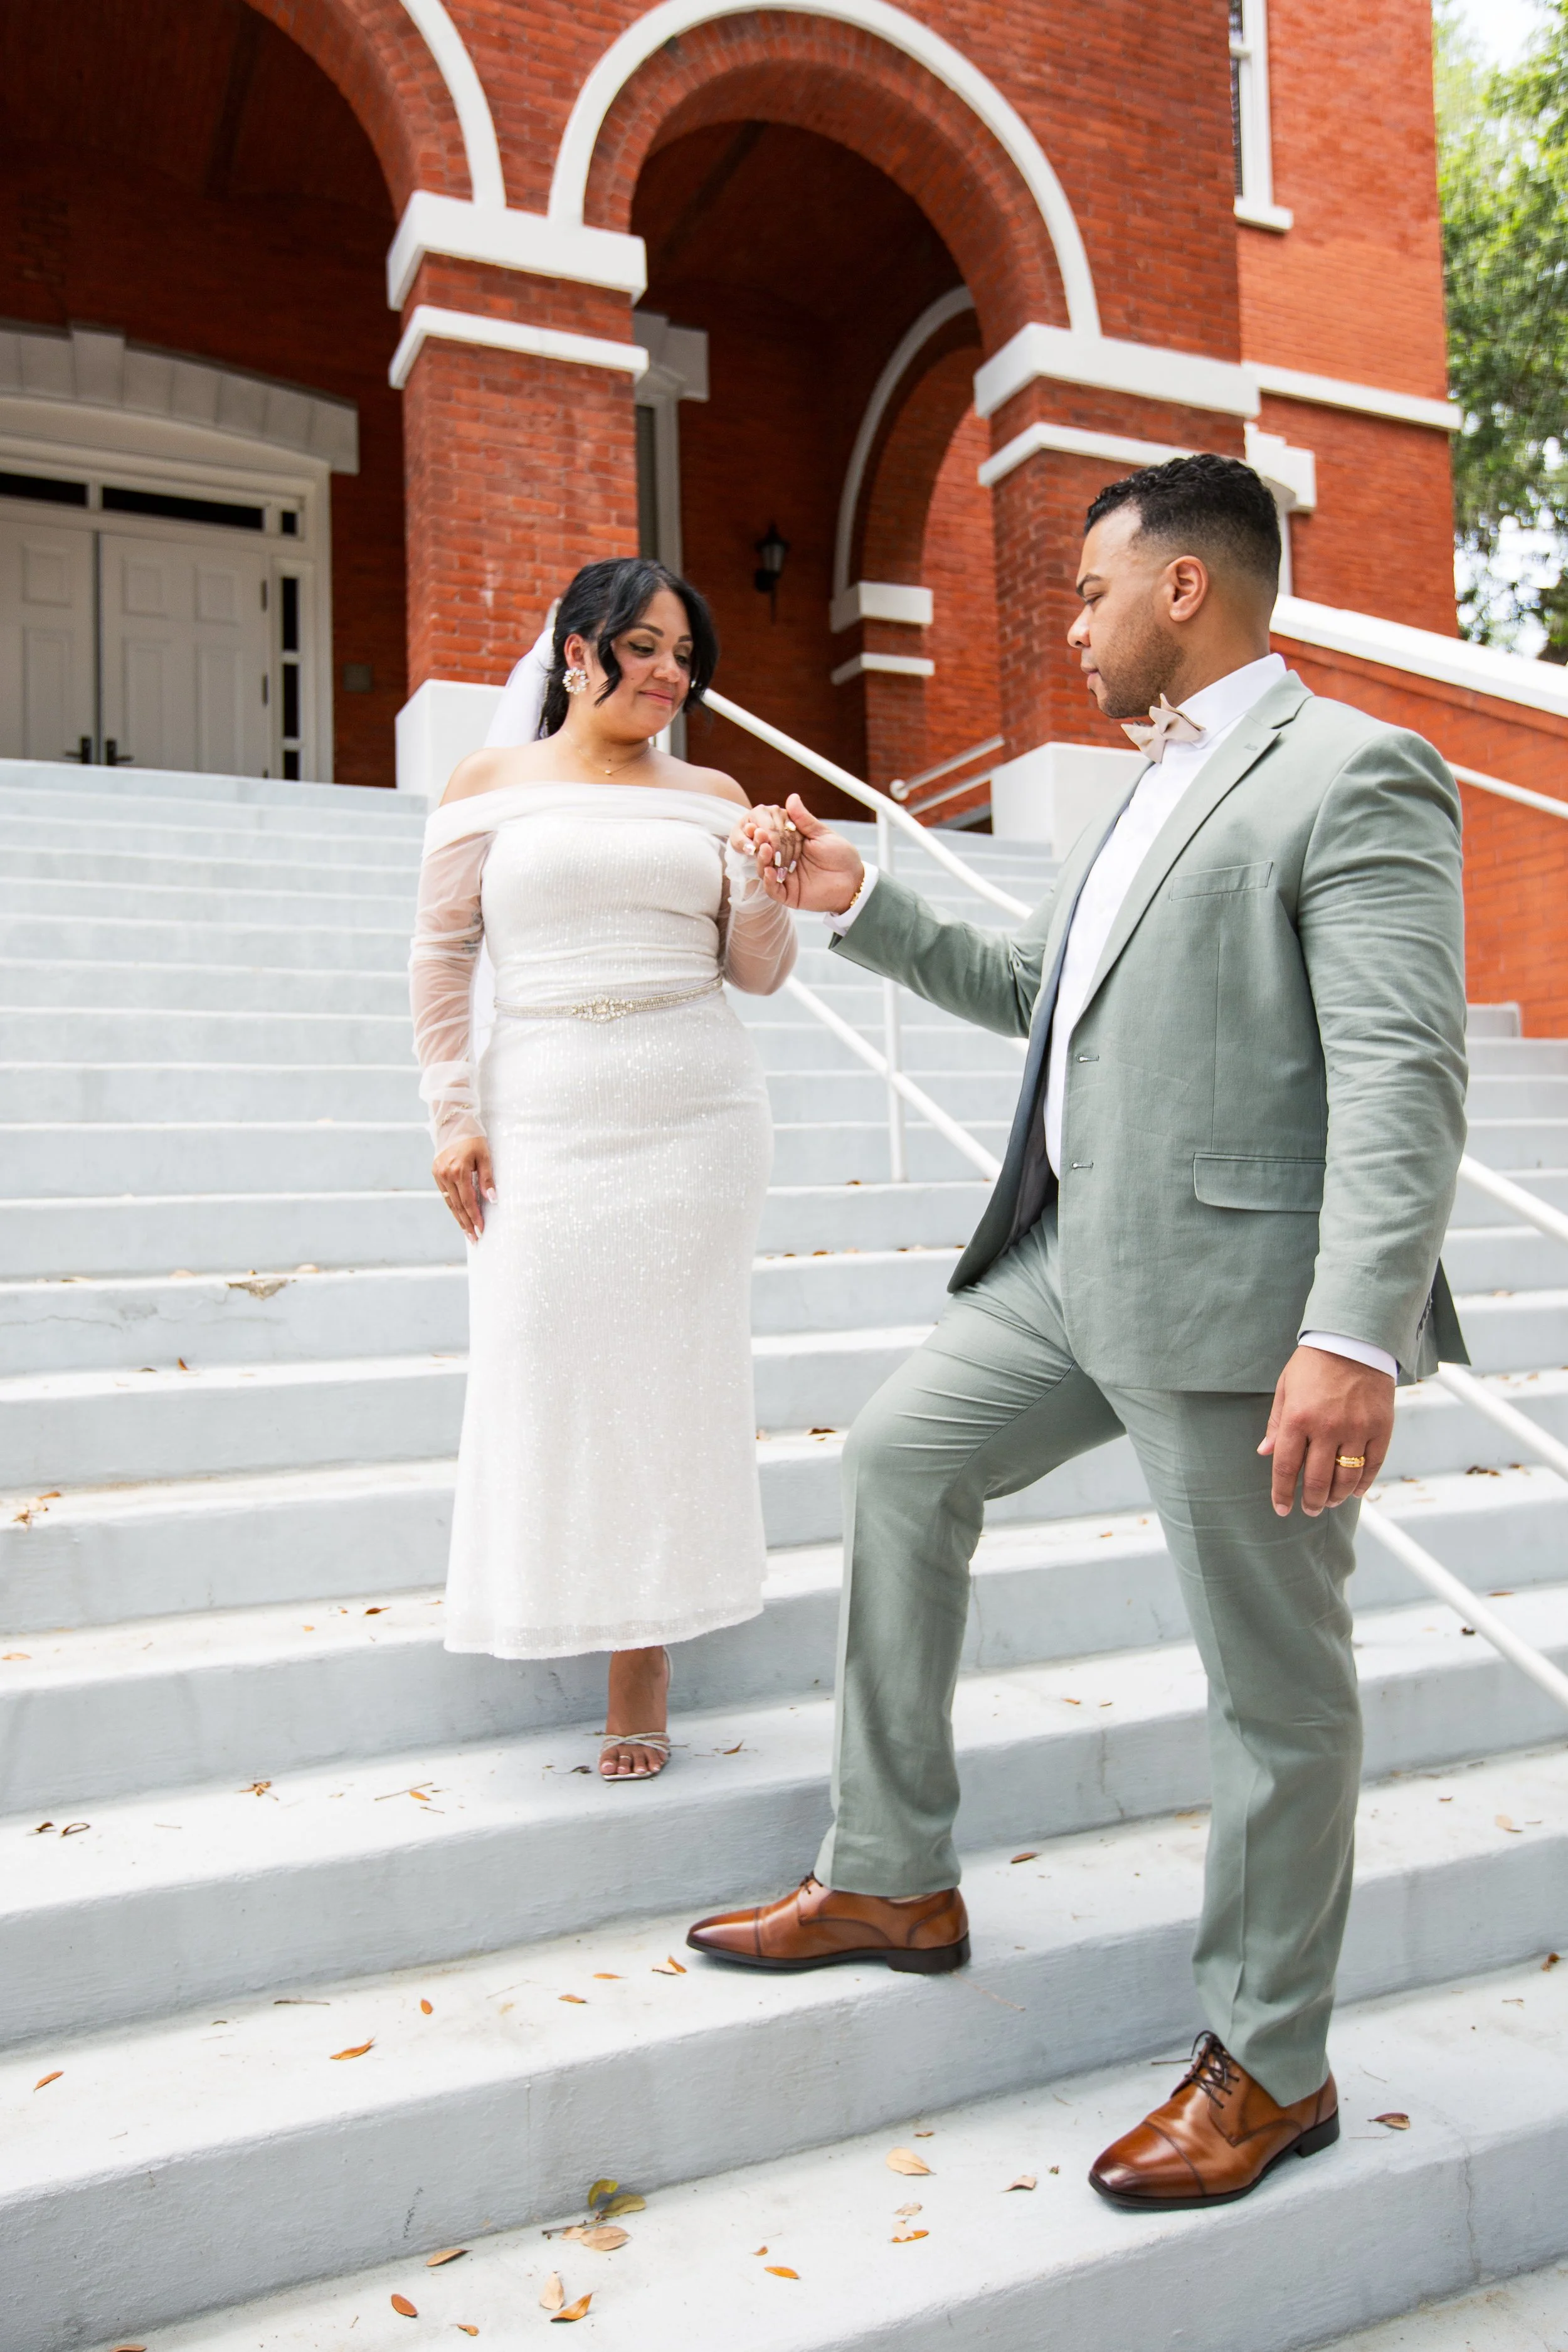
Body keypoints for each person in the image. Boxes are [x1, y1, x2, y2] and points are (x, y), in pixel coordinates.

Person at [687, 455, 1468, 2207]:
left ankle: (1270, 2059)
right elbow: (1042, 999)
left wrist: (1348, 1330)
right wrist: (853, 895)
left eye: (1089, 591)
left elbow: (1405, 1073)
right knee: (899, 1455)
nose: (1074, 624)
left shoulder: (1350, 773)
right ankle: (892, 1871)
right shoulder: (1141, 795)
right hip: (1069, 1268)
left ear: (1182, 589)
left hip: (1244, 1313)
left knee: (1274, 1692)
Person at [408, 558, 797, 1779]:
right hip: (545, 1114)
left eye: (684, 656)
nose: (668, 674)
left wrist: (762, 880)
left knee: (673, 1377)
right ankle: (558, 1588)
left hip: (697, 1112)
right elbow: (438, 959)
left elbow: (759, 970)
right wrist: (450, 1113)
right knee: (548, 1360)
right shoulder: (486, 787)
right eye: (643, 646)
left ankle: (644, 1651)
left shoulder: (713, 794)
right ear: (575, 651)